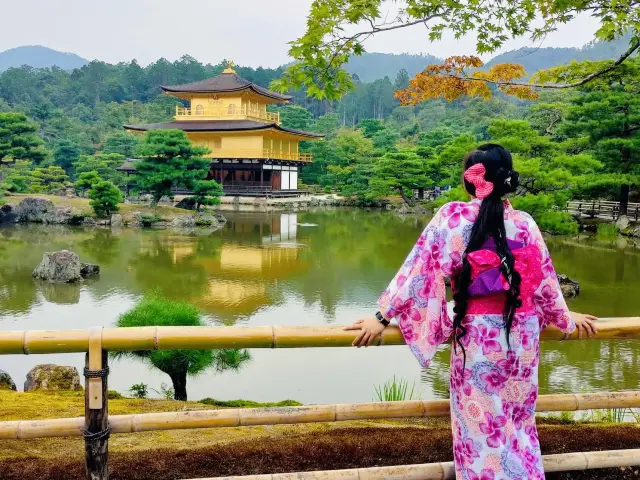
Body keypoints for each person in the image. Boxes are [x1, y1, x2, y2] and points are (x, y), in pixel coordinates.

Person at [344, 144, 598, 480]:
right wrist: (566, 318)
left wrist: (382, 317)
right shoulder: (525, 223)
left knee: (480, 431)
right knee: (518, 425)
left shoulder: (453, 217)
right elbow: (544, 282)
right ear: (508, 179)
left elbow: (420, 269)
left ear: (472, 178)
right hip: (521, 337)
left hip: (479, 339)